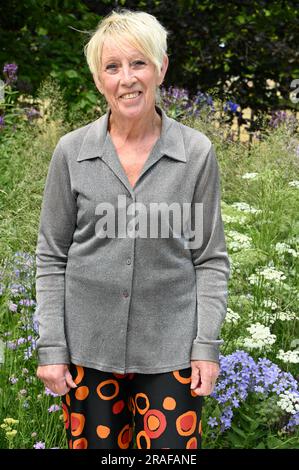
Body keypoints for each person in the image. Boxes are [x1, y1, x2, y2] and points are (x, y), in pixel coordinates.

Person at [35, 8, 230, 450]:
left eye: (138, 63)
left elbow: (210, 260)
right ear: (98, 79)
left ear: (161, 68)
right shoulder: (72, 152)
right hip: (88, 351)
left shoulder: (196, 153)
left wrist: (205, 346)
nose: (127, 78)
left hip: (171, 352)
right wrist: (51, 348)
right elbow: (51, 256)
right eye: (113, 67)